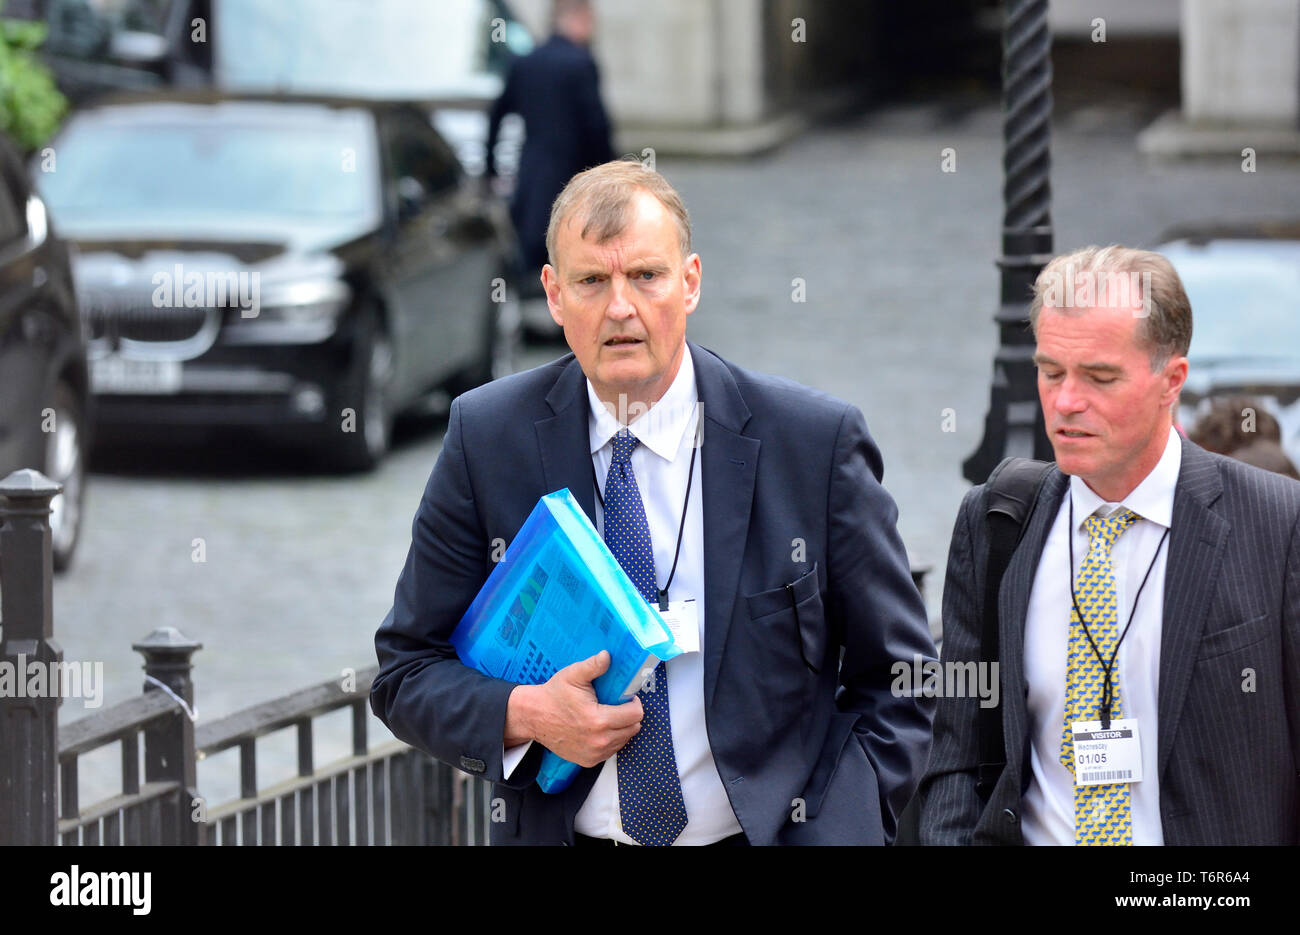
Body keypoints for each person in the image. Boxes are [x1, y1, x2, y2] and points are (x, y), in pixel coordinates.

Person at [371, 159, 936, 846]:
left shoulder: (812, 445)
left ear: (690, 281)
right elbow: (406, 671)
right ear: (553, 294)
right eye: (591, 280)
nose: (620, 308)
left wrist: (840, 828)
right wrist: (527, 712)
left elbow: (903, 680)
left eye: (646, 275)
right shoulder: (487, 439)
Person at [917, 245, 1300, 845]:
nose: (1067, 401)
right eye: (1051, 372)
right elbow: (959, 755)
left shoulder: (1278, 524)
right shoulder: (996, 522)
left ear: (1171, 380)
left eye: (1100, 377)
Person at [486, 0, 614, 292]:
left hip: (532, 173)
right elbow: (597, 126)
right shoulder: (581, 62)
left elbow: (496, 115)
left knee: (532, 246)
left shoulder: (526, 62)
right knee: (576, 250)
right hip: (574, 175)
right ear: (579, 18)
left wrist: (489, 165)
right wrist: (609, 174)